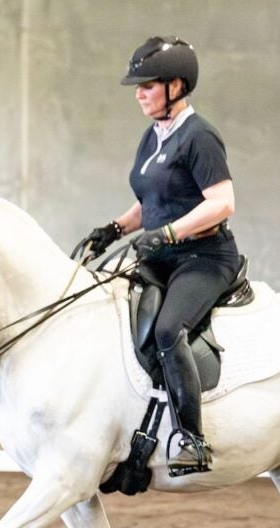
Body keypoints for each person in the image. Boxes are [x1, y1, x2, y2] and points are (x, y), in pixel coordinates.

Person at [83, 36, 241, 476]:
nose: (139, 94)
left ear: (176, 85)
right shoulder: (153, 136)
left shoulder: (200, 136)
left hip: (203, 258)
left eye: (148, 85)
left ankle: (191, 437)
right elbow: (151, 201)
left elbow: (222, 202)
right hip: (164, 254)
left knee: (169, 329)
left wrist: (168, 233)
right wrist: (114, 229)